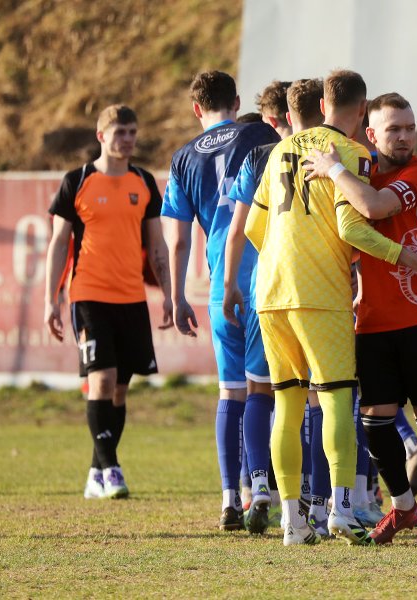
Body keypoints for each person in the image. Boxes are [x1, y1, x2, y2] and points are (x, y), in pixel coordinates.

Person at [304, 92, 417, 545]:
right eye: (394, 129)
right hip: (370, 320)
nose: (406, 136)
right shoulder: (359, 174)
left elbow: (373, 207)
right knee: (374, 422)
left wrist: (333, 169)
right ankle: (403, 506)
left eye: (410, 127)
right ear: (371, 135)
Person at [161, 70, 279, 530]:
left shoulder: (182, 158)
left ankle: (230, 497)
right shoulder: (260, 134)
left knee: (229, 390)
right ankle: (263, 486)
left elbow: (176, 241)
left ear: (196, 109)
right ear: (235, 100)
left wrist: (175, 297)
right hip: (263, 277)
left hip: (218, 286)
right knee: (264, 389)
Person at [44, 105, 173, 500]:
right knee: (99, 379)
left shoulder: (144, 182)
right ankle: (112, 470)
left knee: (119, 389)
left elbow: (156, 244)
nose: (128, 139)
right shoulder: (77, 181)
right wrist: (52, 300)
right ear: (101, 136)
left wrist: (168, 293)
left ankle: (97, 469)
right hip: (88, 295)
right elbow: (58, 245)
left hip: (131, 298)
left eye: (133, 132)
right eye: (120, 132)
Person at [224, 78, 325, 534]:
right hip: (317, 290)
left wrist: (230, 282)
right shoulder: (329, 153)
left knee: (260, 389)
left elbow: (242, 227)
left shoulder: (258, 158)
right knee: (320, 395)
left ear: (275, 117)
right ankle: (322, 500)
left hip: (266, 289)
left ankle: (260, 484)